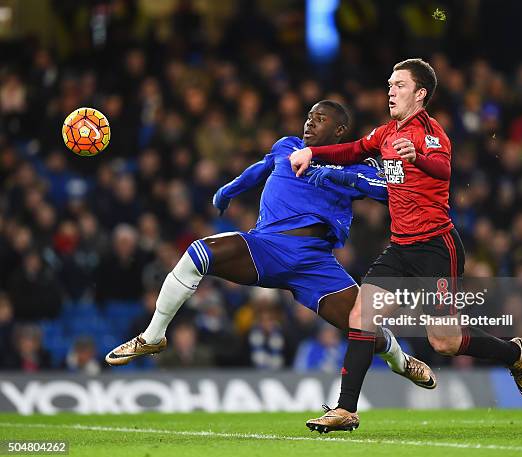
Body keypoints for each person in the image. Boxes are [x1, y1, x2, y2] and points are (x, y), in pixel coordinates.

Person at [105, 100, 436, 417]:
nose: (310, 122)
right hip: (265, 248)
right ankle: (153, 337)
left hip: (314, 263)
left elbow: (390, 189)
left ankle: (399, 361)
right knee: (198, 253)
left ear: (340, 131)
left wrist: (341, 175)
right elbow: (259, 169)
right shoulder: (287, 146)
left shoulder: (354, 163)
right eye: (309, 116)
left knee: (363, 326)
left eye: (320, 119)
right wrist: (229, 190)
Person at [290, 59, 522, 432]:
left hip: (436, 247)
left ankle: (514, 353)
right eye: (389, 84)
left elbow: (443, 169)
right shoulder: (386, 132)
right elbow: (354, 149)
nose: (391, 90)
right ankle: (345, 409)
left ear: (420, 94)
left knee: (444, 341)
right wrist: (313, 153)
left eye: (400, 85)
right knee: (361, 317)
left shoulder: (431, 132)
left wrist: (415, 156)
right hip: (400, 247)